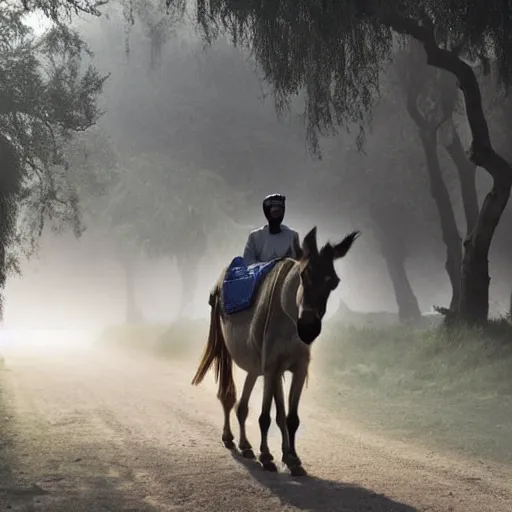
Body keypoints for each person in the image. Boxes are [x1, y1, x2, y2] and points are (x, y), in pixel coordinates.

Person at [242, 194, 301, 265]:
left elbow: (298, 263)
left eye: (279, 211)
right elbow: (248, 262)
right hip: (261, 275)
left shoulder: (292, 235)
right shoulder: (255, 236)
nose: (277, 214)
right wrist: (268, 266)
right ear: (267, 212)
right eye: (274, 212)